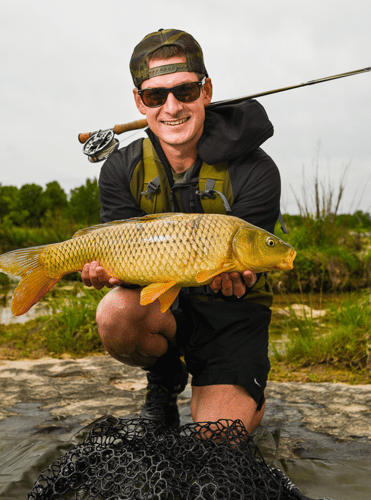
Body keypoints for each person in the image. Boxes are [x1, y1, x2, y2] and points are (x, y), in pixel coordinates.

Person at [81, 29, 281, 434]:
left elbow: (252, 261)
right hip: (162, 306)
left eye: (185, 91)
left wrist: (244, 275)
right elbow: (120, 261)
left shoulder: (257, 169)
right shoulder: (121, 168)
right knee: (116, 313)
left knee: (220, 438)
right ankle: (166, 376)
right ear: (140, 101)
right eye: (156, 96)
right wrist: (106, 272)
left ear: (206, 91)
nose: (171, 107)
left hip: (230, 313)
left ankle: (230, 381)